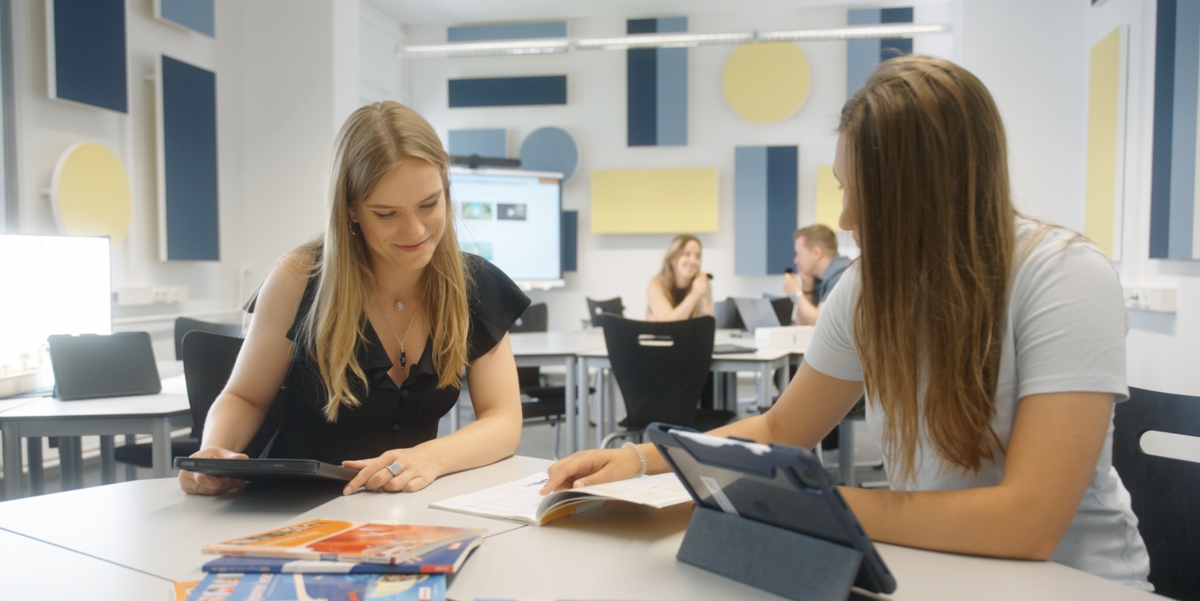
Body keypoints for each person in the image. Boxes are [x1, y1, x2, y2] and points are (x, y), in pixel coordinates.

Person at [541, 56, 1151, 590]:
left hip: (1073, 582)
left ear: (937, 189)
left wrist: (805, 503)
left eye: (868, 193)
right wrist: (645, 460)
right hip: (934, 563)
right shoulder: (868, 289)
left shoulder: (1065, 277)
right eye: (843, 187)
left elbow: (1027, 522)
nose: (848, 216)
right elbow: (784, 425)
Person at [179, 101, 529, 497]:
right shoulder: (298, 279)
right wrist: (215, 453)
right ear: (351, 210)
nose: (415, 230)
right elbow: (244, 396)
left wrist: (431, 458)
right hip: (292, 507)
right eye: (386, 213)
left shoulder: (473, 283)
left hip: (401, 508)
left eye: (429, 204)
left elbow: (503, 419)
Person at [782, 225, 851, 325]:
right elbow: (801, 324)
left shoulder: (842, 274)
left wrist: (796, 294)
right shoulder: (818, 277)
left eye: (800, 254)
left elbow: (820, 323)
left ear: (816, 253)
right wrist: (807, 288)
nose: (796, 260)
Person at [645, 234, 712, 322]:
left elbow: (704, 322)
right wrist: (694, 295)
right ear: (672, 258)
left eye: (697, 256)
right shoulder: (656, 284)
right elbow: (669, 323)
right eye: (686, 254)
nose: (693, 261)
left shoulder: (702, 282)